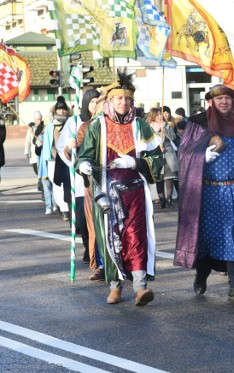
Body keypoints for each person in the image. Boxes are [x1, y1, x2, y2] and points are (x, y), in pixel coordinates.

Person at [76, 68, 163, 306]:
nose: (123, 102)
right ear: (111, 101)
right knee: (110, 238)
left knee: (135, 238)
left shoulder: (141, 126)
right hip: (107, 191)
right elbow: (84, 155)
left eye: (127, 99)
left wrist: (135, 162)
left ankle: (140, 286)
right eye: (119, 98)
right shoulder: (98, 126)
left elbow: (157, 158)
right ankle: (115, 286)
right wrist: (83, 164)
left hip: (135, 192)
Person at [174, 84, 234, 301]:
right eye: (219, 98)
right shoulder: (197, 123)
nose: (224, 102)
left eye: (228, 98)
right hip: (205, 191)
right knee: (205, 237)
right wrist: (201, 156)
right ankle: (201, 275)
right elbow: (183, 153)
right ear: (211, 102)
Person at [56, 89, 101, 267]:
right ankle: (88, 247)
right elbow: (62, 148)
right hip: (81, 180)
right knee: (82, 219)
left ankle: (98, 252)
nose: (94, 105)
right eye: (92, 102)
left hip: (99, 176)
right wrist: (69, 146)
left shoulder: (103, 122)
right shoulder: (74, 122)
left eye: (97, 102)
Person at [37, 97, 70, 216]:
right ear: (55, 111)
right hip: (53, 159)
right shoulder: (50, 124)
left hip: (68, 158)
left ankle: (67, 208)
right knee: (56, 184)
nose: (61, 111)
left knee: (67, 184)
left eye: (63, 109)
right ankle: (62, 208)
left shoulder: (70, 122)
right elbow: (48, 142)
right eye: (59, 109)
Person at [147, 107, 179, 208]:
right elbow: (147, 141)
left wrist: (164, 128)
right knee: (159, 180)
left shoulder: (166, 125)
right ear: (152, 116)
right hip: (156, 155)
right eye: (157, 115)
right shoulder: (149, 127)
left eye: (160, 114)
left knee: (169, 178)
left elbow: (173, 137)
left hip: (168, 154)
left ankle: (169, 199)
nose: (160, 116)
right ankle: (162, 200)